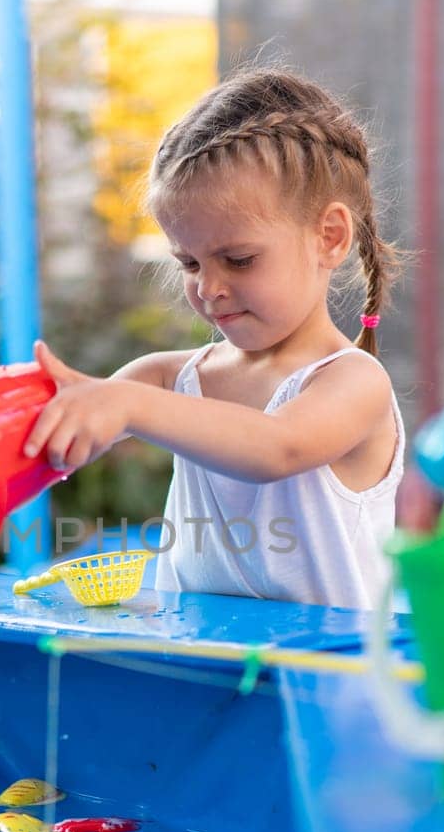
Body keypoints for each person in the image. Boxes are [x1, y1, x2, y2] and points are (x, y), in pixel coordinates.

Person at [22, 68, 405, 609]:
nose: (209, 287)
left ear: (329, 237)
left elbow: (276, 446)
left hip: (326, 680)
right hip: (206, 667)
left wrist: (127, 403)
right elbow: (70, 435)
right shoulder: (168, 377)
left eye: (238, 259)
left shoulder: (354, 382)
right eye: (189, 262)